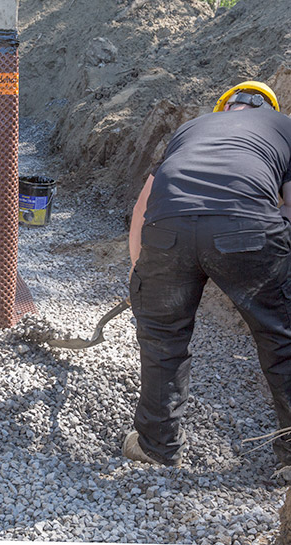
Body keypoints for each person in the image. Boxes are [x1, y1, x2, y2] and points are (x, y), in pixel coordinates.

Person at [123, 81, 291, 468]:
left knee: (162, 339)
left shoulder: (191, 129)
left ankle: (156, 446)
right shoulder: (281, 127)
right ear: (268, 108)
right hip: (247, 230)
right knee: (283, 341)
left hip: (167, 233)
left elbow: (141, 210)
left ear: (224, 108)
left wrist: (141, 274)